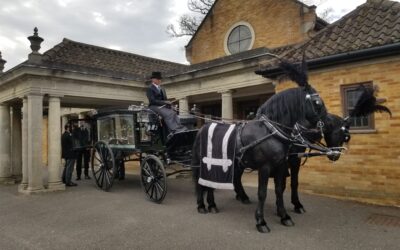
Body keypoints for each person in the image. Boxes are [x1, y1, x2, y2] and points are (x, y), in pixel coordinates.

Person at [146, 71, 186, 136]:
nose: (159, 80)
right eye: (158, 79)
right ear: (153, 79)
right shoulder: (149, 88)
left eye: (160, 79)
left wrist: (170, 104)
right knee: (168, 113)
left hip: (163, 106)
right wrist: (164, 102)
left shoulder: (162, 89)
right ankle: (174, 129)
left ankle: (180, 128)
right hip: (154, 106)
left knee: (173, 111)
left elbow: (165, 99)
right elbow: (152, 100)